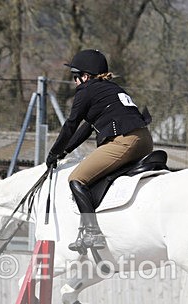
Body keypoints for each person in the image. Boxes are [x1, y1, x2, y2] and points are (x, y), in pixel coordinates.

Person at [45, 49, 153, 253]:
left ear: (85, 76)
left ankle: (92, 233)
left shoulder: (86, 90)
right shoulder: (111, 89)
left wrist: (52, 153)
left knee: (76, 179)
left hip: (124, 141)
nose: (75, 82)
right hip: (144, 139)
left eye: (75, 77)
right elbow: (86, 128)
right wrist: (64, 151)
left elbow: (71, 124)